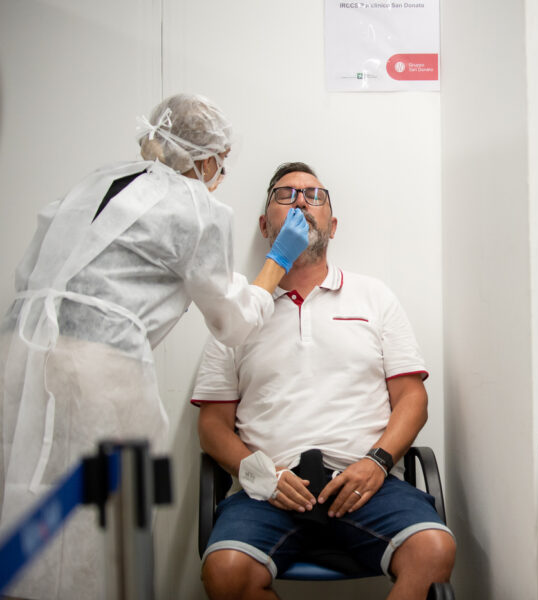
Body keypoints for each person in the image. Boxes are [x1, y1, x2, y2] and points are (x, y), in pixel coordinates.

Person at [0, 93, 310, 600]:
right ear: (205, 158)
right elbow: (231, 322)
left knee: (23, 501)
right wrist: (277, 260)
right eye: (222, 163)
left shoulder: (94, 184)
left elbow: (32, 272)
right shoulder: (194, 205)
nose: (222, 175)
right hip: (98, 371)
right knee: (102, 522)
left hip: (19, 356)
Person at [193, 161, 456, 600]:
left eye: (314, 196)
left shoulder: (373, 297)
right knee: (225, 572)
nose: (300, 201)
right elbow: (212, 426)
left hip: (364, 482)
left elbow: (413, 398)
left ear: (332, 226)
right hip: (269, 489)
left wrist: (376, 462)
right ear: (264, 225)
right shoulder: (237, 312)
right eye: (285, 195)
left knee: (433, 550)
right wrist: (260, 475)